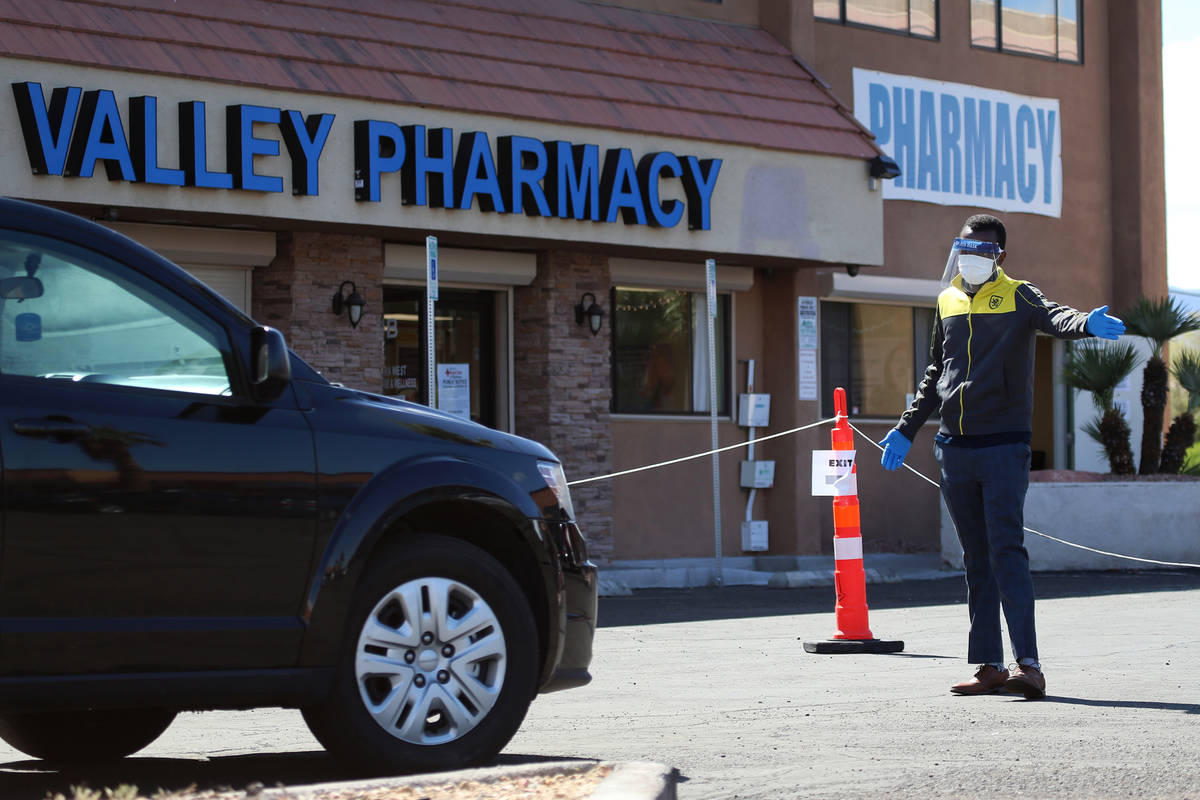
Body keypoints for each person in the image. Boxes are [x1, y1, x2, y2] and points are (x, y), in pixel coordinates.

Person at [877, 214, 1125, 699]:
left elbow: (1057, 317)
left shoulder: (1019, 294)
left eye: (981, 251)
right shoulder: (947, 298)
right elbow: (936, 370)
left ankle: (1028, 665)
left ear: (1000, 256)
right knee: (975, 558)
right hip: (954, 448)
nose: (970, 258)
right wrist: (906, 428)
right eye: (964, 249)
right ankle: (989, 665)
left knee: (1005, 550)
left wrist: (1086, 323)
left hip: (1003, 445)